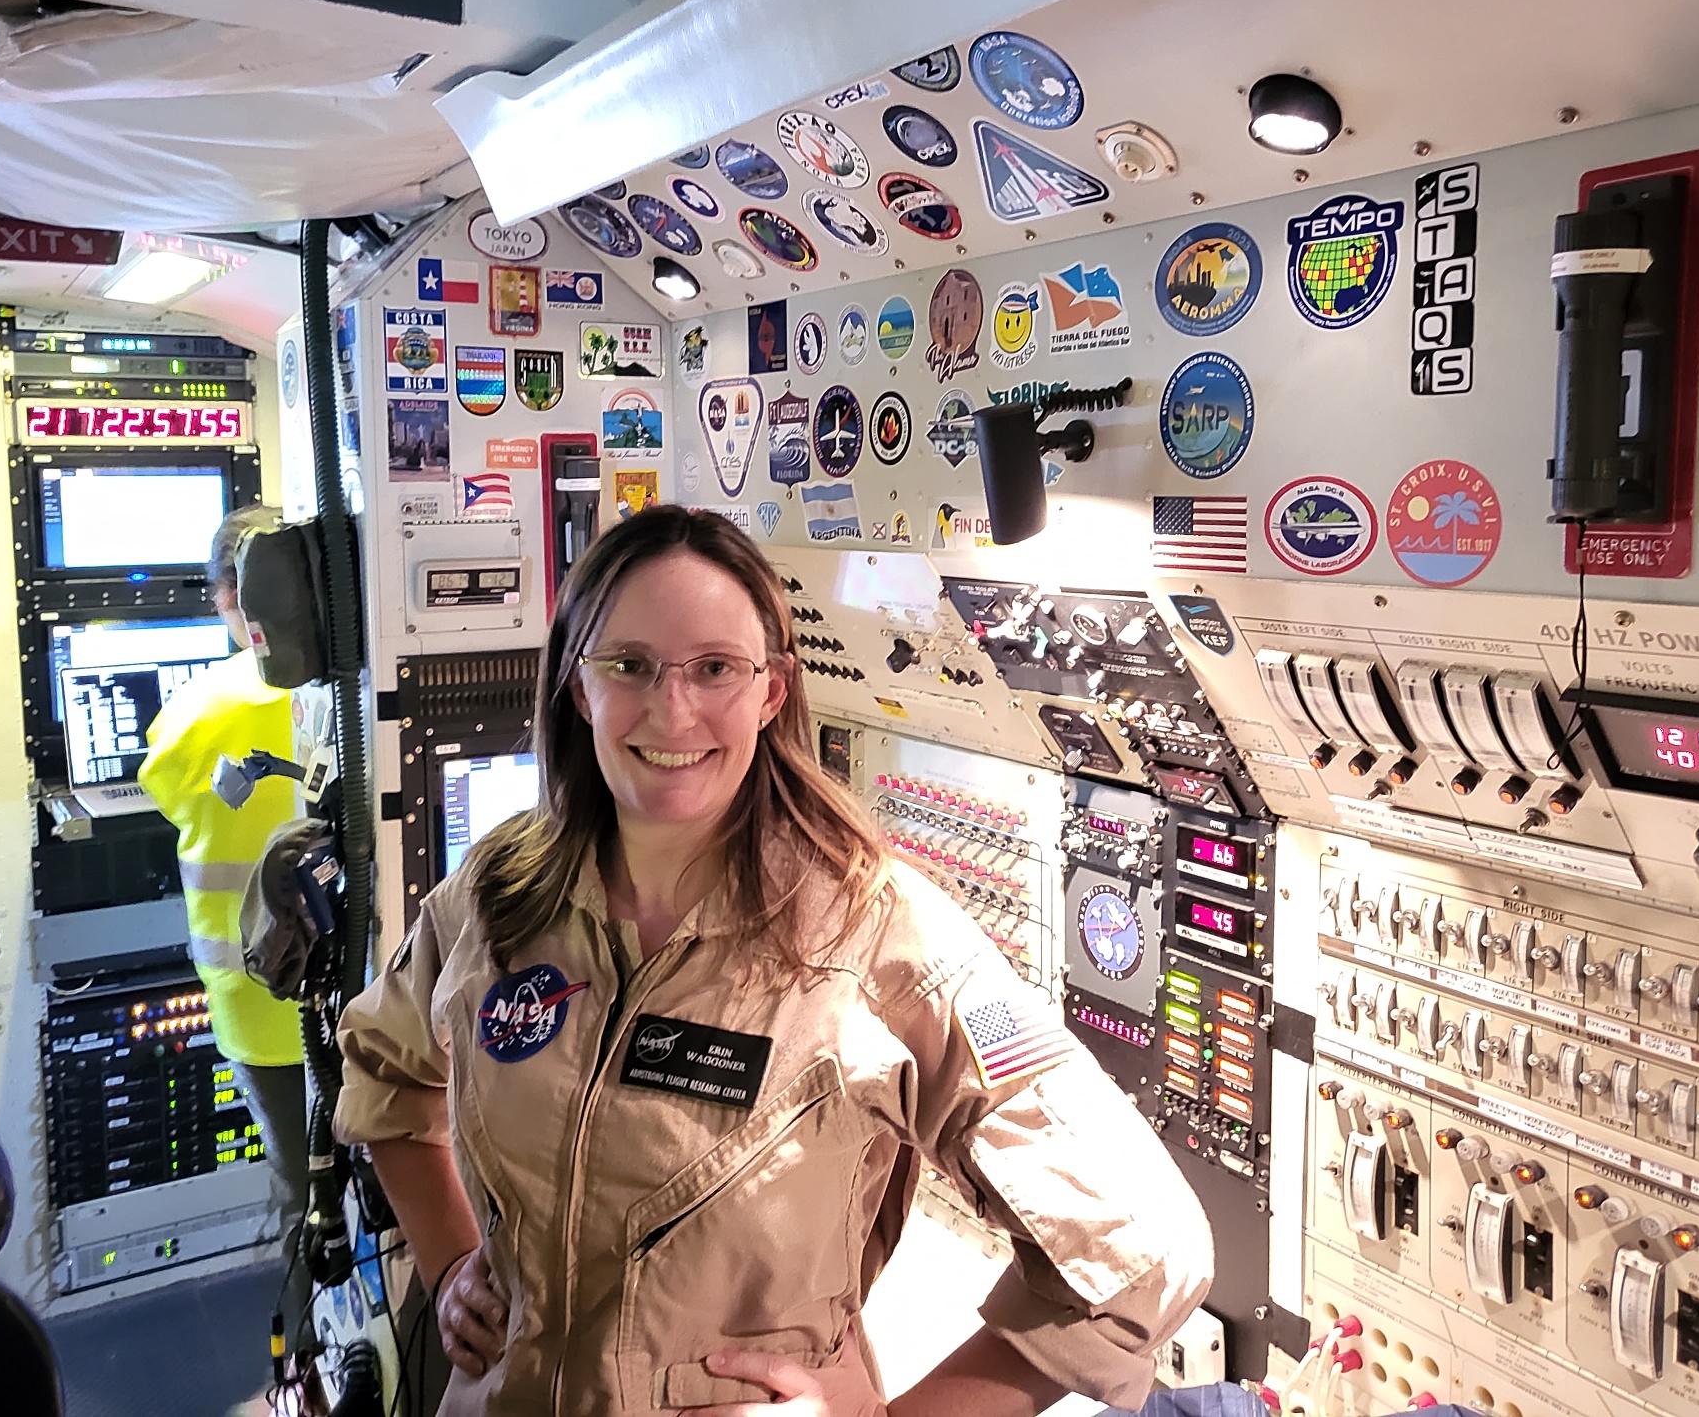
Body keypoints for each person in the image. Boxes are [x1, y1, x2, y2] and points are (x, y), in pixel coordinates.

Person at [335, 505, 1213, 1416]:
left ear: (773, 690)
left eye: (715, 668)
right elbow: (382, 1062)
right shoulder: (496, 895)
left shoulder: (880, 934)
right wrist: (445, 1267)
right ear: (577, 686)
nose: (672, 710)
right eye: (629, 665)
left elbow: (1144, 1242)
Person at [136, 507, 313, 1349]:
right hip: (375, 992)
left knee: (302, 1191)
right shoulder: (345, 689)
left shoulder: (193, 712)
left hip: (258, 1001)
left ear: (234, 598)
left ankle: (323, 1356)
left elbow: (169, 795)